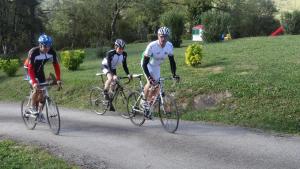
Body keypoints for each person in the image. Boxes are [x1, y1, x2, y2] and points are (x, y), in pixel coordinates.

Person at [141, 26, 179, 118]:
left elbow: (172, 62)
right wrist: (149, 77)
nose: (163, 38)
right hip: (147, 64)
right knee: (150, 83)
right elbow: (144, 64)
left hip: (156, 66)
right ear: (158, 36)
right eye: (161, 36)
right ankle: (143, 101)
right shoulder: (152, 46)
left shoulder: (169, 46)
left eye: (165, 36)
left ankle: (149, 104)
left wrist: (174, 74)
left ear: (167, 37)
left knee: (157, 86)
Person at [27, 33, 62, 114]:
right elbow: (30, 68)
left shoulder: (52, 52)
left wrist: (58, 79)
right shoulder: (34, 52)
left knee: (42, 94)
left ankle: (39, 113)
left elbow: (56, 66)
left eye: (49, 45)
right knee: (37, 89)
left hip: (39, 70)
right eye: (45, 45)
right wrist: (34, 82)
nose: (47, 48)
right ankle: (32, 107)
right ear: (40, 45)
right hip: (29, 70)